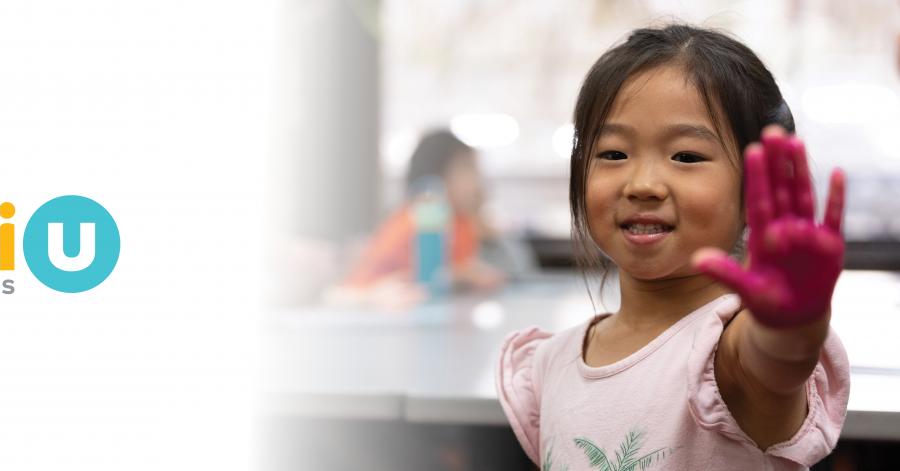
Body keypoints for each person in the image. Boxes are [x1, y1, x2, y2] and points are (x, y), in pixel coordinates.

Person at [497, 24, 849, 470]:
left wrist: (792, 327)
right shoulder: (550, 364)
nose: (643, 184)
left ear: (755, 187)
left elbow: (776, 361)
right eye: (613, 153)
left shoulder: (728, 352)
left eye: (686, 156)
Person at [334, 129, 506, 308]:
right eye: (467, 168)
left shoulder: (461, 223)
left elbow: (440, 276)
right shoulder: (412, 222)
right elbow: (346, 292)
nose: (476, 181)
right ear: (438, 174)